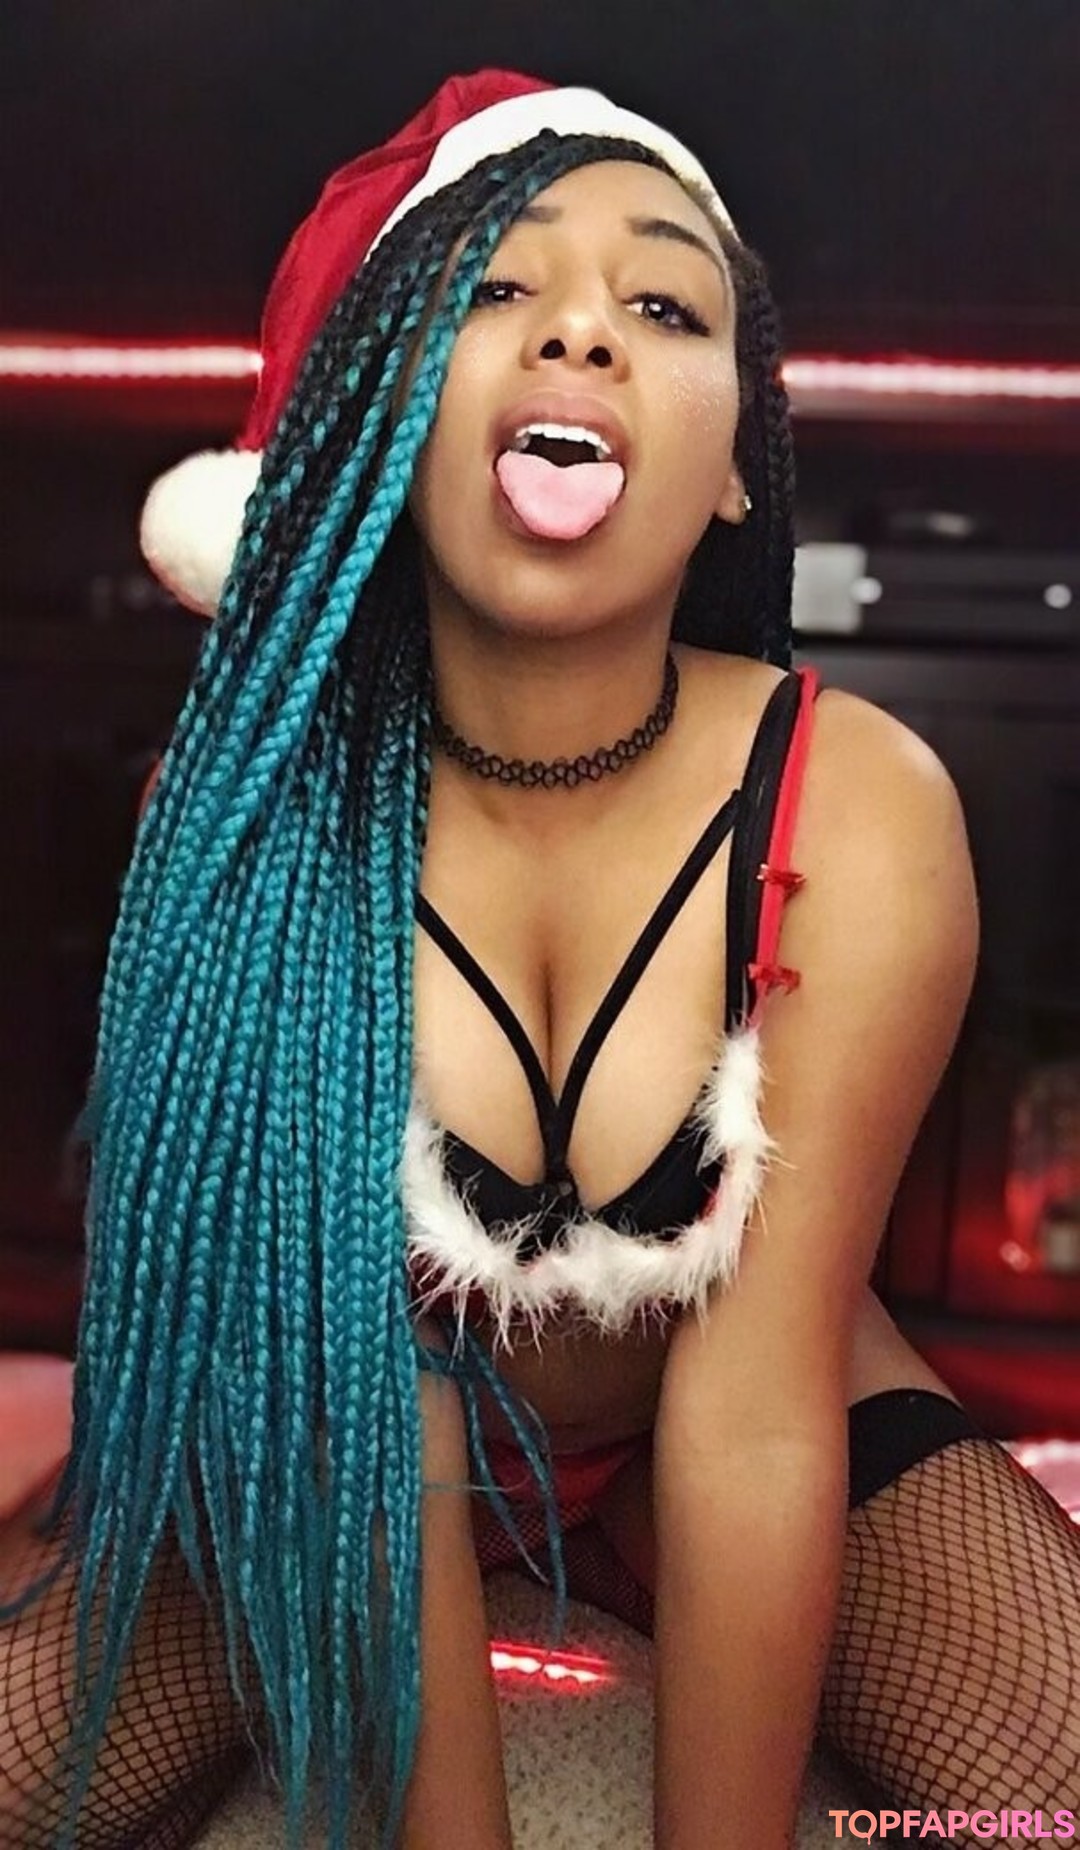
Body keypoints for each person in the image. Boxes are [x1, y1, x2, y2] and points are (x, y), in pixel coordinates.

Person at [2, 66, 1078, 1850]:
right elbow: (367, 1412)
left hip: (742, 1398)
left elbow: (756, 1406)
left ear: (732, 467)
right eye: (497, 287)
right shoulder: (253, 808)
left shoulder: (861, 803)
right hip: (320, 1415)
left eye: (664, 302)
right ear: (391, 409)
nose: (580, 329)